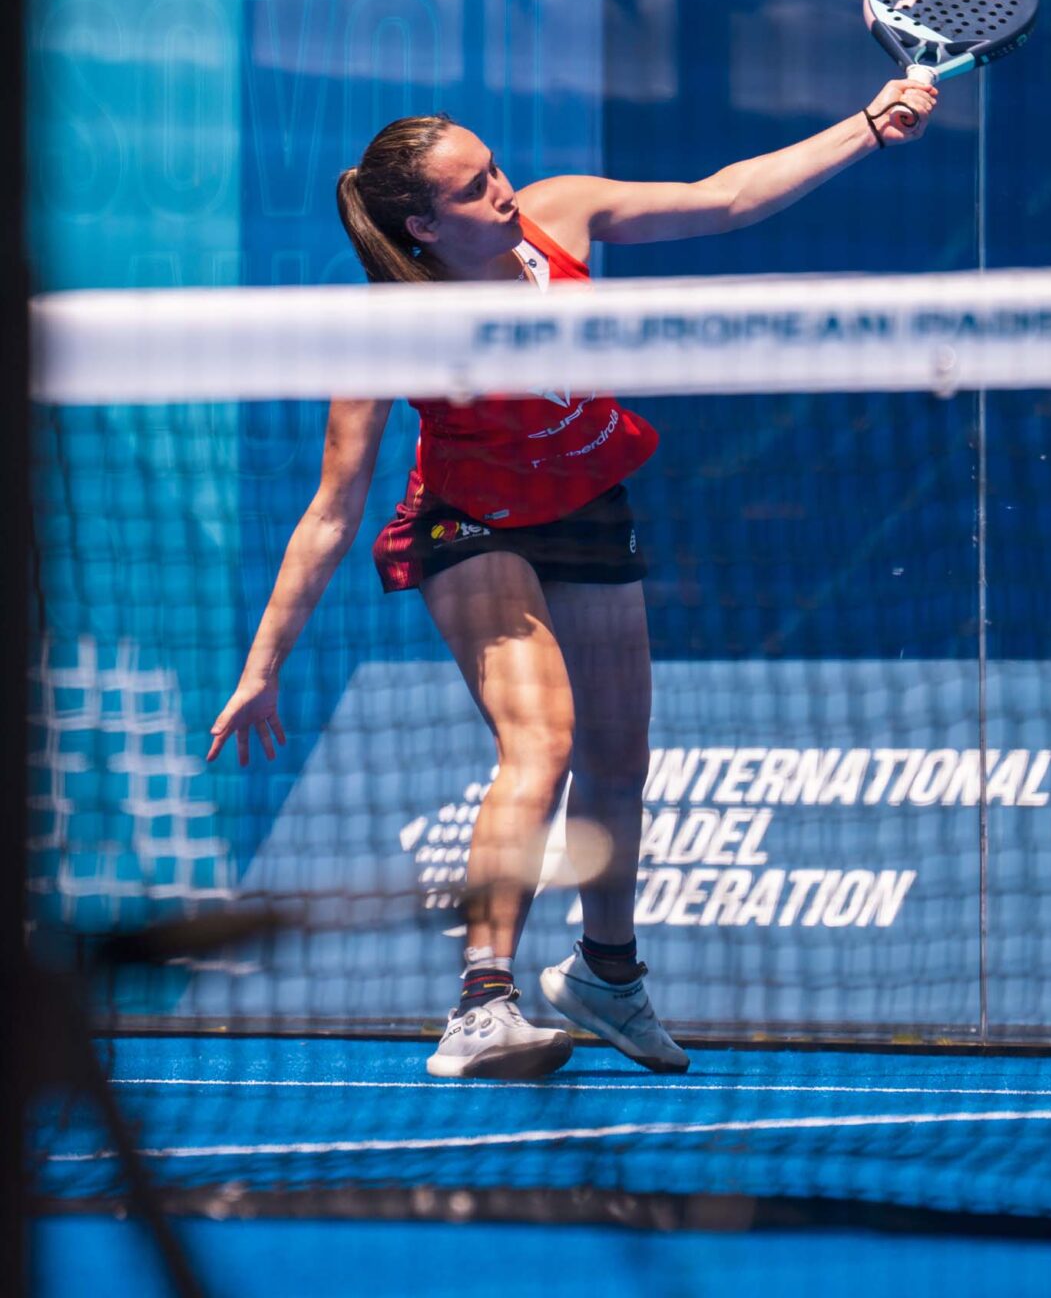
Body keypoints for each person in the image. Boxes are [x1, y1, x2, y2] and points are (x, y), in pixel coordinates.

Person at [207, 77, 937, 1080]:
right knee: (540, 742)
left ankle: (607, 975)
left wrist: (867, 127)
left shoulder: (560, 216)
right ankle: (481, 1004)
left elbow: (726, 196)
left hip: (586, 502)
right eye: (475, 188)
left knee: (619, 760)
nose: (504, 191)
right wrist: (262, 669)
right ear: (424, 227)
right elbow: (332, 511)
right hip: (469, 524)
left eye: (496, 168)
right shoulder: (392, 331)